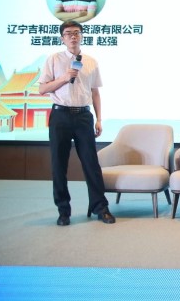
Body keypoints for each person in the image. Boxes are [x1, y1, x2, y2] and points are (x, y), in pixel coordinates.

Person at [38, 21, 115, 226]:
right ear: (62, 38)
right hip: (60, 116)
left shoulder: (90, 62)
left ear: (81, 36)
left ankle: (101, 208)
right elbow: (42, 89)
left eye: (76, 33)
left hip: (83, 116)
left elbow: (95, 92)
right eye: (68, 33)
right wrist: (64, 78)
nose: (73, 36)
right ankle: (63, 211)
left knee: (91, 163)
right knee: (59, 164)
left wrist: (99, 119)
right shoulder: (54, 59)